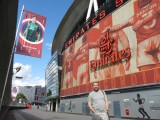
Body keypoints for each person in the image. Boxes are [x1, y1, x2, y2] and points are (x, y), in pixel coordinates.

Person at [103, 0, 160, 71]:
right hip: (158, 39)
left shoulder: (135, 16)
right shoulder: (156, 6)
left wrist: (110, 29)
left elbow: (120, 26)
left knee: (147, 73)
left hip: (143, 45)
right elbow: (156, 12)